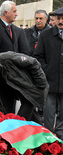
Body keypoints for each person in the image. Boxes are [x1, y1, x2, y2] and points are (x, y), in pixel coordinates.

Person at [34, 7, 63, 140]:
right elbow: (38, 57)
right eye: (58, 18)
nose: (61, 21)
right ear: (54, 20)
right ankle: (49, 139)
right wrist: (47, 70)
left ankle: (60, 139)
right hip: (49, 83)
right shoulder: (45, 35)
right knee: (49, 114)